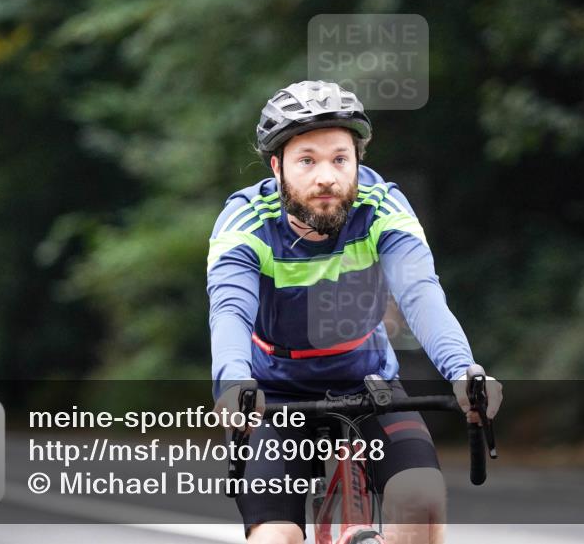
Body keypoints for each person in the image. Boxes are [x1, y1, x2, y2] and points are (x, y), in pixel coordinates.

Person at [207, 80, 502, 544]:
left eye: (340, 159)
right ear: (276, 166)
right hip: (272, 397)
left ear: (358, 162)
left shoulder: (383, 206)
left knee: (421, 499)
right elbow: (230, 311)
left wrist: (463, 370)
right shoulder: (245, 220)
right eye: (307, 160)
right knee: (275, 537)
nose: (326, 176)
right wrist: (232, 381)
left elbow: (421, 294)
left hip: (370, 384)